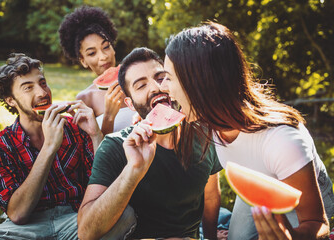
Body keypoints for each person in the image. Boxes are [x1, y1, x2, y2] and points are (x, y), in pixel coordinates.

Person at [160, 21, 334, 240]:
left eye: (168, 77)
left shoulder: (282, 141)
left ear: (200, 83)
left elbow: (318, 223)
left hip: (303, 199)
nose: (162, 87)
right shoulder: (206, 121)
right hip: (258, 183)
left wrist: (291, 237)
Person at [77, 47, 223, 239]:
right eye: (141, 86)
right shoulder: (115, 146)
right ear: (130, 104)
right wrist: (133, 170)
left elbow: (211, 196)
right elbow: (86, 232)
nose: (155, 87)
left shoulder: (203, 134)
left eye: (161, 77)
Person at [0, 53, 103, 239]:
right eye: (28, 88)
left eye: (42, 83)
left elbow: (102, 184)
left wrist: (95, 135)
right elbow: (18, 214)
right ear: (11, 100)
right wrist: (49, 147)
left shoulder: (75, 128)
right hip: (29, 227)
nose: (42, 93)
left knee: (126, 215)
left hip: (77, 218)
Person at [58, 5, 136, 135]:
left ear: (113, 47)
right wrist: (109, 117)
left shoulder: (138, 76)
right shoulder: (86, 98)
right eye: (92, 53)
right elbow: (98, 149)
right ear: (83, 61)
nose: (103, 57)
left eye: (106, 47)